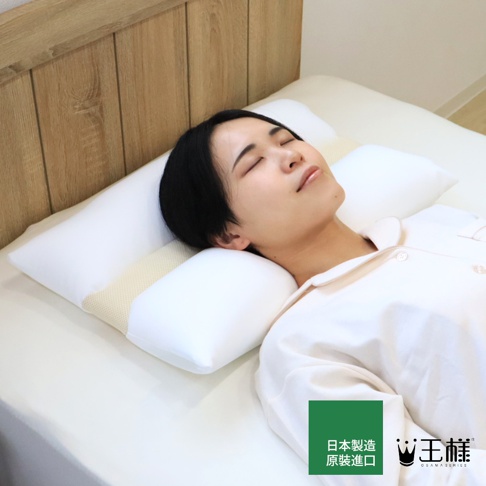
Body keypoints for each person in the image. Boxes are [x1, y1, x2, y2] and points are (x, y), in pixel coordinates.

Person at [160, 109, 486, 484]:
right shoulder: (296, 350)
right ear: (229, 234)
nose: (290, 155)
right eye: (253, 163)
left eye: (286, 139)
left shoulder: (437, 221)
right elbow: (393, 470)